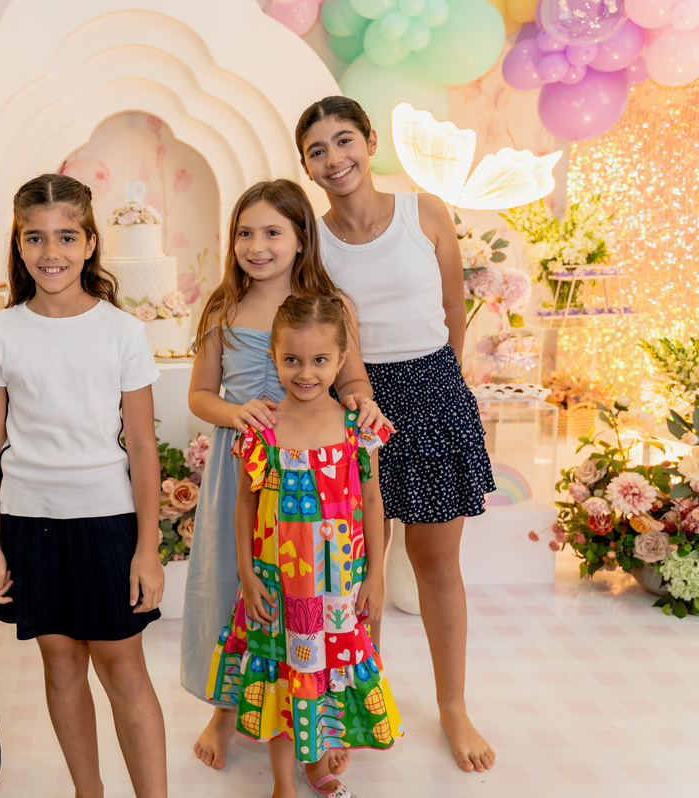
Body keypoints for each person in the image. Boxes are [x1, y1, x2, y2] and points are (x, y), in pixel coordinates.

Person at [296, 95, 497, 773]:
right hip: (353, 405)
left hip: (433, 391)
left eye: (344, 140)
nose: (334, 159)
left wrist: (445, 386)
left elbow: (452, 308)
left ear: (370, 142)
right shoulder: (312, 241)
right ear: (306, 166)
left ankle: (453, 707)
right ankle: (363, 700)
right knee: (357, 573)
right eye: (317, 150)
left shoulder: (424, 214)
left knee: (437, 564)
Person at [0, 173, 168, 798]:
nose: (50, 251)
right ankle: (89, 793)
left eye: (65, 237)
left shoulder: (122, 332)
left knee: (123, 668)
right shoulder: (1, 332)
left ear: (89, 244)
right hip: (29, 522)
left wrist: (147, 548)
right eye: (35, 237)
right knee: (59, 664)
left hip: (108, 522)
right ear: (18, 244)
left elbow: (142, 447)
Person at [180, 179, 390, 770]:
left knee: (319, 594)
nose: (257, 246)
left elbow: (352, 378)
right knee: (237, 589)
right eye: (245, 233)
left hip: (316, 475)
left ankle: (324, 710)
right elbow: (200, 394)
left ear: (301, 237)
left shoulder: (330, 305)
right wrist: (236, 413)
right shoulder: (223, 307)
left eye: (273, 232)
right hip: (247, 467)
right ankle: (226, 709)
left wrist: (362, 401)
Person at [208, 293, 402, 798]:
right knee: (283, 673)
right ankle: (282, 784)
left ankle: (316, 763)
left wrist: (375, 576)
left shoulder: (358, 429)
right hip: (278, 587)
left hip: (337, 588)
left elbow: (373, 502)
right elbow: (246, 504)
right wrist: (247, 574)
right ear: (273, 356)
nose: (306, 372)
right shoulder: (263, 429)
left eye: (319, 360)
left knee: (322, 674)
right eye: (292, 359)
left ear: (341, 360)